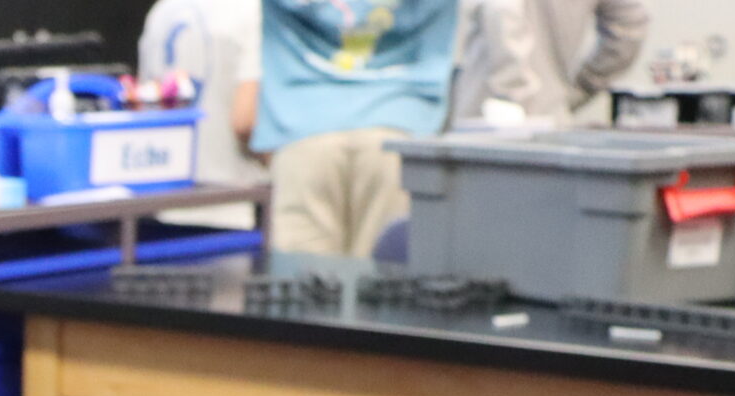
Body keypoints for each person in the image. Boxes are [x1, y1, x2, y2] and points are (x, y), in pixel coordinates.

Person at [252, 0, 531, 256]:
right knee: (380, 284)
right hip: (398, 131)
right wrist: (517, 93)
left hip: (304, 129)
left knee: (300, 283)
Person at [138, 0, 266, 230]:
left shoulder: (162, 10)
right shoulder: (254, 12)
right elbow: (246, 123)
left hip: (153, 204)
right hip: (228, 206)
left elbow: (144, 102)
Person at [452, 0, 648, 124]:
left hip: (486, 120)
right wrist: (577, 91)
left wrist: (514, 90)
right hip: (551, 117)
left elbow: (500, 9)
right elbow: (630, 27)